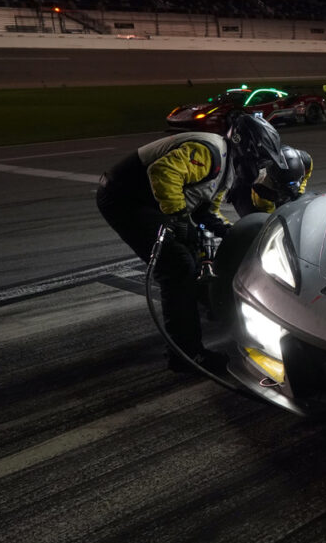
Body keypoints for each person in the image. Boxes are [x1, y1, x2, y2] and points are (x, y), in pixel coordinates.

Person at [96, 114, 287, 372]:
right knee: (177, 265)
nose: (260, 168)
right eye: (260, 160)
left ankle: (200, 315)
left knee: (195, 254)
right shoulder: (210, 152)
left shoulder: (225, 168)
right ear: (247, 149)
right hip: (124, 198)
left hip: (147, 201)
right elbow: (163, 173)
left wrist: (230, 233)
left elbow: (206, 211)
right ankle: (185, 356)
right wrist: (178, 218)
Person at [229, 144, 312, 215]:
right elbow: (268, 215)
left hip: (272, 181)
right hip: (242, 187)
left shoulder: (306, 160)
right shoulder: (262, 186)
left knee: (294, 201)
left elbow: (305, 177)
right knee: (259, 222)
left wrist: (299, 193)